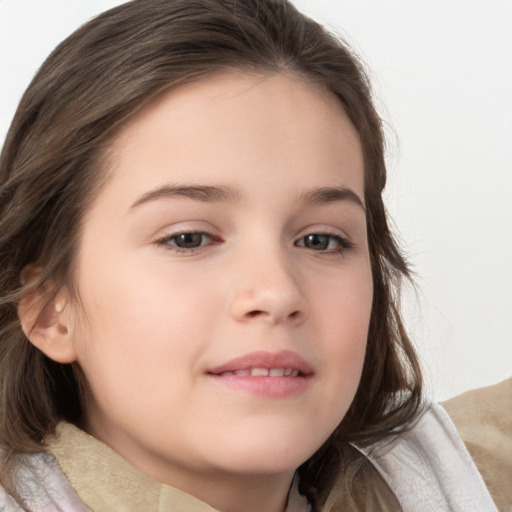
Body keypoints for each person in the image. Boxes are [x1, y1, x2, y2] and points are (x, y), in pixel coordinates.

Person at [0, 1, 508, 511]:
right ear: (49, 308)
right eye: (189, 239)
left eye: (321, 240)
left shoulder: (468, 475)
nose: (277, 292)